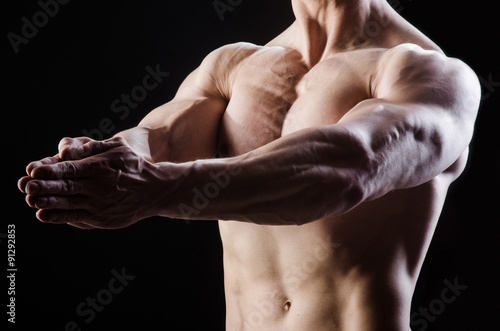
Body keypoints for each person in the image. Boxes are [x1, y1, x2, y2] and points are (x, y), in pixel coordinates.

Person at [18, 0, 480, 329]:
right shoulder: (233, 66)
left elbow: (346, 168)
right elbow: (158, 139)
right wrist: (105, 157)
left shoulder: (430, 75)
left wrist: (158, 189)